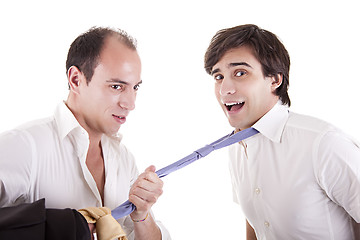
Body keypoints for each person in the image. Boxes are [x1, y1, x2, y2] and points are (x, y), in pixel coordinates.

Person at [0, 27, 170, 240]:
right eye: (117, 86)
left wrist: (142, 214)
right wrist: (56, 226)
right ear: (76, 80)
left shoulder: (123, 159)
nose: (130, 103)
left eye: (135, 87)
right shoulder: (26, 146)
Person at [204, 24, 360, 239]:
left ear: (275, 80)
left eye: (240, 73)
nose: (224, 90)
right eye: (218, 76)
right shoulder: (237, 148)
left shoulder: (323, 143)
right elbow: (256, 223)